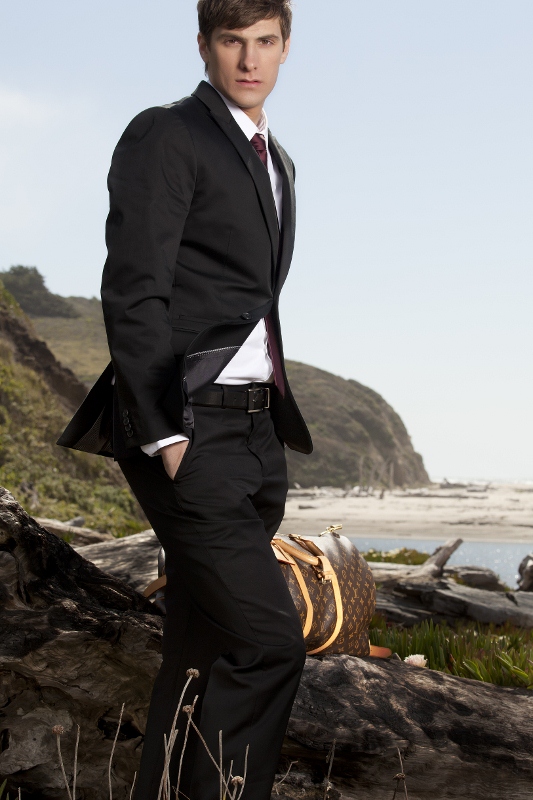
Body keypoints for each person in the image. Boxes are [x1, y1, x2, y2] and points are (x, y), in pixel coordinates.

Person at [58, 0, 312, 797]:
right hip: (190, 431)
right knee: (270, 643)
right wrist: (165, 435)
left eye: (264, 42)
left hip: (254, 431)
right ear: (203, 45)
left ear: (284, 47)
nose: (248, 59)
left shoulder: (278, 161)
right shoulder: (165, 133)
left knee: (201, 650)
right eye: (231, 41)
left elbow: (249, 300)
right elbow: (135, 291)